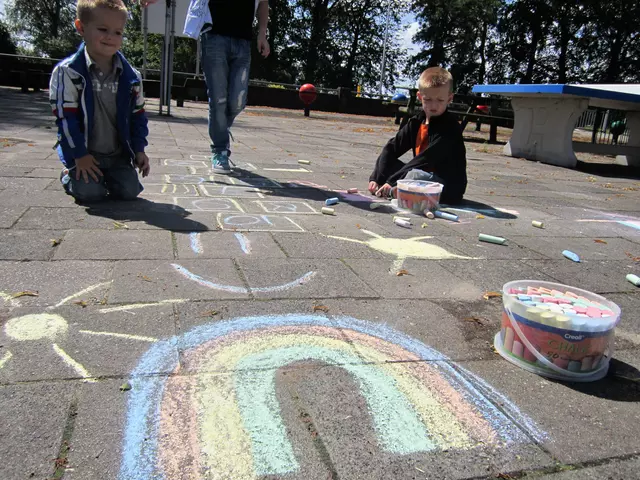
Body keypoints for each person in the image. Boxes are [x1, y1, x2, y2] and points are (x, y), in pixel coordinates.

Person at [142, 0, 270, 173]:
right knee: (218, 98)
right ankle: (220, 150)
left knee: (237, 101)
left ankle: (221, 128)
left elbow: (263, 2)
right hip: (213, 36)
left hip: (243, 40)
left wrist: (262, 33)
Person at [49, 0, 150, 203]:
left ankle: (109, 176)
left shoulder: (131, 77)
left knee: (129, 191)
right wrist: (79, 154)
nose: (110, 37)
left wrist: (139, 150)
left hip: (116, 153)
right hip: (85, 152)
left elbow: (138, 116)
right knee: (89, 194)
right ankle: (69, 174)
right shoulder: (68, 72)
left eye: (118, 32)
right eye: (103, 29)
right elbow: (65, 119)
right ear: (81, 28)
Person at [368, 67, 467, 205]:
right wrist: (376, 178)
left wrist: (392, 181)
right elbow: (391, 148)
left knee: (414, 174)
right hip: (420, 178)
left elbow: (425, 159)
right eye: (428, 99)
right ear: (420, 97)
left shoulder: (450, 127)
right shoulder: (416, 122)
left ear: (449, 98)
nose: (434, 105)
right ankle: (398, 189)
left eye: (440, 100)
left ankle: (396, 190)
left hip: (446, 186)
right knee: (391, 162)